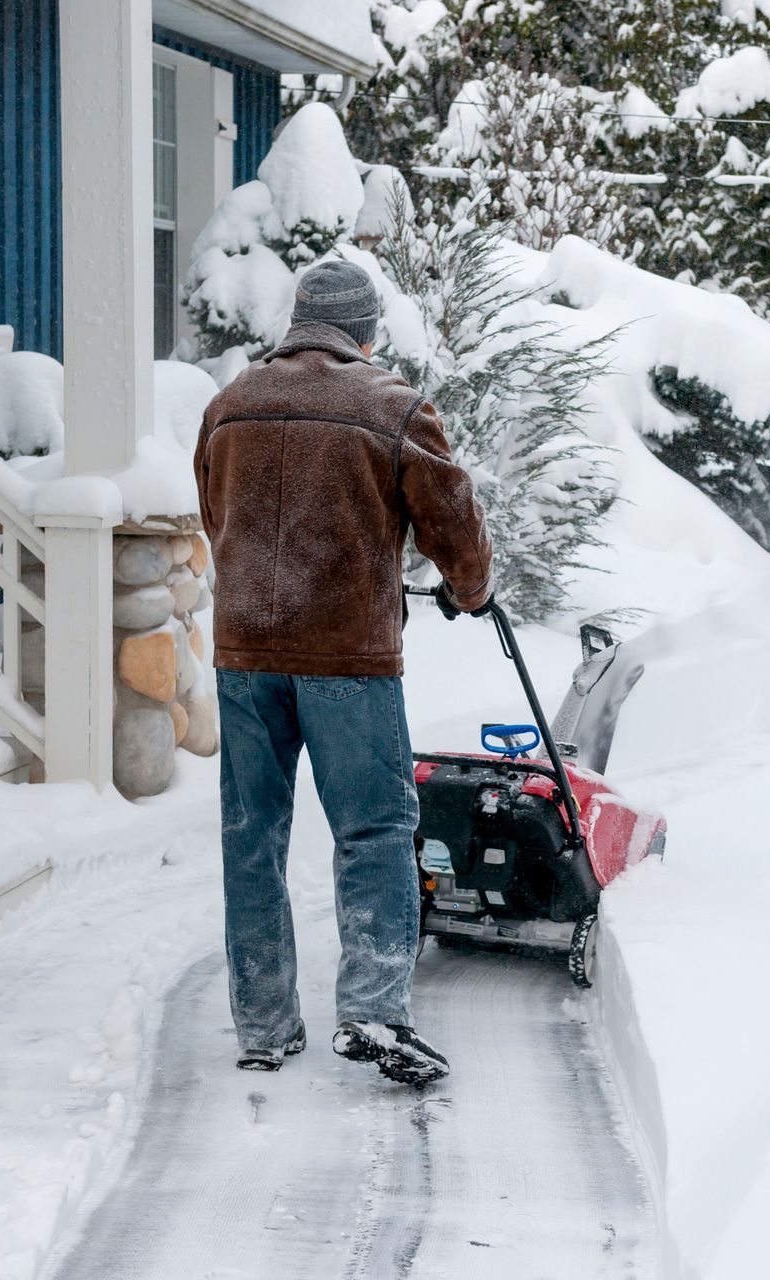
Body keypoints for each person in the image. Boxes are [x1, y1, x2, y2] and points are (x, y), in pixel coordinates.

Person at [192, 259, 493, 1083]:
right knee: (375, 830)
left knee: (251, 837)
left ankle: (262, 1023)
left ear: (297, 326)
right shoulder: (389, 406)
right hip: (347, 658)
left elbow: (214, 512)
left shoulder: (229, 406)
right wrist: (472, 587)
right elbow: (452, 518)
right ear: (366, 331)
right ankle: (373, 1010)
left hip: (246, 652)